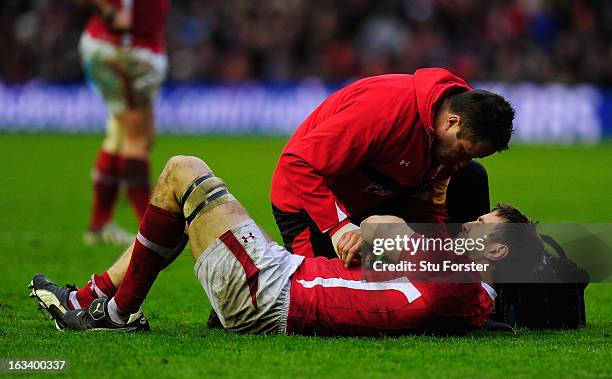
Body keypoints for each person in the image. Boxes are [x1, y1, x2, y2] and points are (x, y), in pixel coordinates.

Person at [30, 155, 540, 336]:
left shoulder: (456, 281)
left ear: (497, 252)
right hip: (284, 278)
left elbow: (381, 229)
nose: (467, 225)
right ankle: (94, 300)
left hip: (270, 294)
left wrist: (394, 231)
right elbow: (373, 247)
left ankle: (113, 313)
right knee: (189, 209)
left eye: (480, 225)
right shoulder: (466, 289)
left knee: (183, 173)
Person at [270, 68, 515, 260]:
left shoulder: (450, 140)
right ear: (452, 122)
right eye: (463, 151)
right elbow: (297, 162)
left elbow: (430, 203)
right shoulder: (383, 110)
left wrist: (438, 257)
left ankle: (474, 284)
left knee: (471, 177)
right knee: (320, 300)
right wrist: (339, 227)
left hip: (376, 197)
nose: (461, 162)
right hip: (313, 202)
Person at [79, 0, 169, 245]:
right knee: (138, 138)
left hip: (106, 42)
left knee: (119, 133)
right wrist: (111, 10)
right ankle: (151, 231)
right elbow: (122, 19)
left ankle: (99, 225)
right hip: (129, 49)